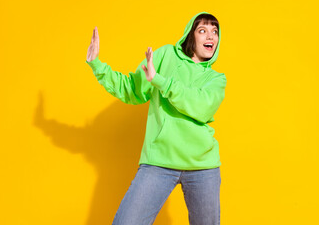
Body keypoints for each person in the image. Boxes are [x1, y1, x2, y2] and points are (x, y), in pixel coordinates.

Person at [86, 12, 227, 225]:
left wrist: (160, 82)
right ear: (191, 35)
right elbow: (132, 89)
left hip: (202, 166)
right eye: (203, 30)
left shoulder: (216, 79)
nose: (210, 37)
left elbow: (201, 107)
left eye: (214, 32)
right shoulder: (165, 56)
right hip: (159, 161)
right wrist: (97, 65)